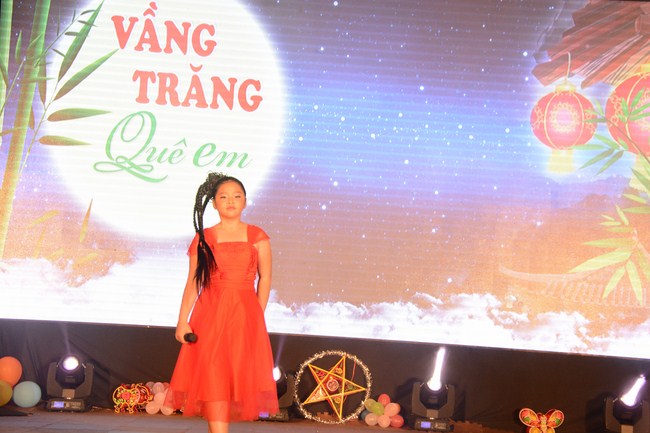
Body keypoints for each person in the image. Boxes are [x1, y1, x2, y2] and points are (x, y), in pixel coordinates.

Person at [164, 172, 279, 433]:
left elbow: (265, 278)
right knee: (214, 375)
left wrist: (256, 315)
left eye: (237, 196)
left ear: (245, 201)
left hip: (244, 314)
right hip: (210, 314)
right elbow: (194, 281)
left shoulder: (257, 236)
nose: (230, 201)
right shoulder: (204, 238)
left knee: (234, 375)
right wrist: (182, 321)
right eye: (223, 197)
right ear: (214, 203)